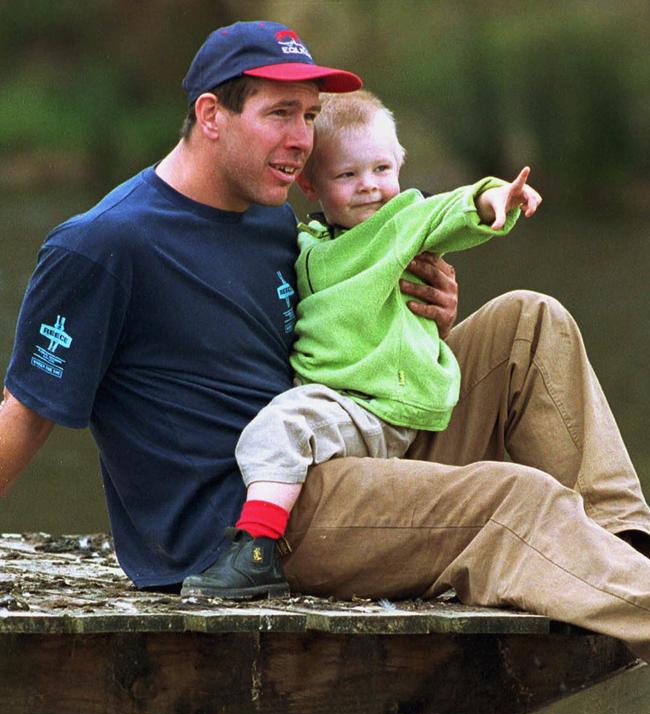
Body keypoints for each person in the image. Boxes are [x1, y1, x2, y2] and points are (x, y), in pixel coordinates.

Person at [2, 21, 650, 663]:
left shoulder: (270, 216)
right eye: (281, 113)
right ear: (210, 115)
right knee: (512, 501)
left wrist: (431, 325)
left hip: (345, 436)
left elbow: (335, 336)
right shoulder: (102, 247)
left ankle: (628, 551)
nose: (301, 140)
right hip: (255, 523)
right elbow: (24, 418)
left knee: (528, 323)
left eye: (309, 116)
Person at [182, 89, 542, 599]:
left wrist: (492, 199)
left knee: (280, 425)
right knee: (287, 422)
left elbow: (447, 212)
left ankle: (257, 549)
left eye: (380, 169)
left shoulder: (402, 223)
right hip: (339, 405)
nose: (369, 187)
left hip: (376, 406)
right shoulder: (308, 243)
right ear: (310, 184)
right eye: (347, 175)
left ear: (400, 165)